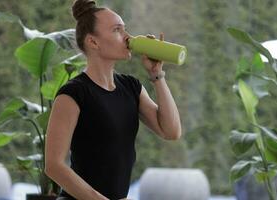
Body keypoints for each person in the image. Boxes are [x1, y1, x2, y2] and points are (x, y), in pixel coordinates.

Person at [44, 0, 182, 199]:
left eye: (125, 29)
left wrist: (157, 74)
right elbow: (54, 166)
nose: (128, 37)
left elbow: (171, 131)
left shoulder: (132, 87)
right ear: (93, 42)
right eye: (117, 30)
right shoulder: (73, 94)